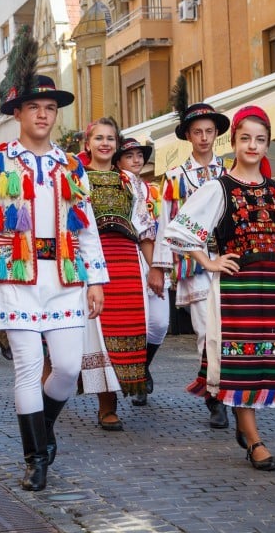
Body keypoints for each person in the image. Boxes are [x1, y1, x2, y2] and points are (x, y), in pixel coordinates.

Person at [0, 26, 108, 492]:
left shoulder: (72, 166)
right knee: (27, 365)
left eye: (50, 108)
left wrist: (95, 280)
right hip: (16, 276)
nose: (44, 115)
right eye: (35, 108)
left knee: (68, 366)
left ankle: (42, 432)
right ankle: (35, 458)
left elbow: (85, 225)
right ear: (18, 113)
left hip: (64, 274)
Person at [165, 106, 275, 471]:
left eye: (260, 140)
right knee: (240, 362)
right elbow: (181, 229)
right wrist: (210, 262)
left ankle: (247, 431)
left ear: (267, 145)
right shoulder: (219, 187)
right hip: (236, 286)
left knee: (264, 358)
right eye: (245, 138)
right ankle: (254, 439)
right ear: (234, 142)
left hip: (271, 287)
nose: (252, 145)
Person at [149, 75, 231, 429]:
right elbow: (167, 223)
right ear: (188, 136)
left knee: (229, 330)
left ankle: (228, 389)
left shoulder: (230, 173)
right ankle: (214, 396)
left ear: (216, 134)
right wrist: (161, 268)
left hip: (229, 261)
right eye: (197, 131)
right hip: (195, 264)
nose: (203, 137)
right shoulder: (175, 178)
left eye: (209, 131)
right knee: (204, 330)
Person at [81, 119, 154, 431]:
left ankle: (117, 397)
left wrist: (155, 271)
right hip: (93, 261)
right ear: (88, 144)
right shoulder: (77, 179)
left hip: (127, 262)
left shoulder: (130, 181)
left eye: (111, 138)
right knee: (99, 331)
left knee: (129, 328)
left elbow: (145, 228)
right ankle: (105, 405)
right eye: (99, 138)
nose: (105, 143)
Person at [114, 137, 168, 407]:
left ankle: (142, 366)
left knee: (160, 322)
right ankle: (134, 381)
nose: (136, 160)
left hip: (153, 257)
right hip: (125, 259)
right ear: (118, 161)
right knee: (135, 324)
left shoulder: (153, 190)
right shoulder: (116, 185)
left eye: (139, 155)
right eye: (129, 156)